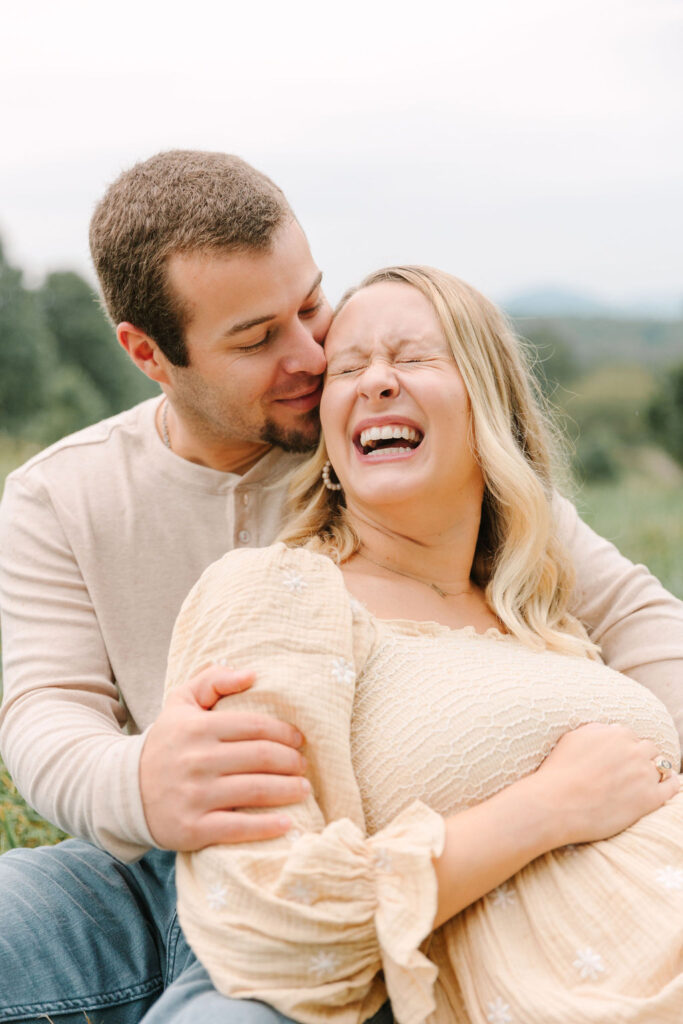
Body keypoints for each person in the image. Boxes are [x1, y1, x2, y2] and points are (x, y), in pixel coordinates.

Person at [0, 150, 681, 1024]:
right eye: (255, 338)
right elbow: (44, 710)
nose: (312, 354)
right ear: (149, 354)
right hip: (152, 860)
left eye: (311, 305)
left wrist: (631, 783)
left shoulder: (393, 452)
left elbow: (636, 617)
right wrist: (144, 783)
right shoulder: (65, 495)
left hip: (377, 853)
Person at [164, 266, 683, 1024]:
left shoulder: (542, 611)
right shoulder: (281, 595)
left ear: (490, 406)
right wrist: (548, 806)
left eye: (411, 358)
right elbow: (268, 919)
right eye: (348, 367)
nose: (375, 382)